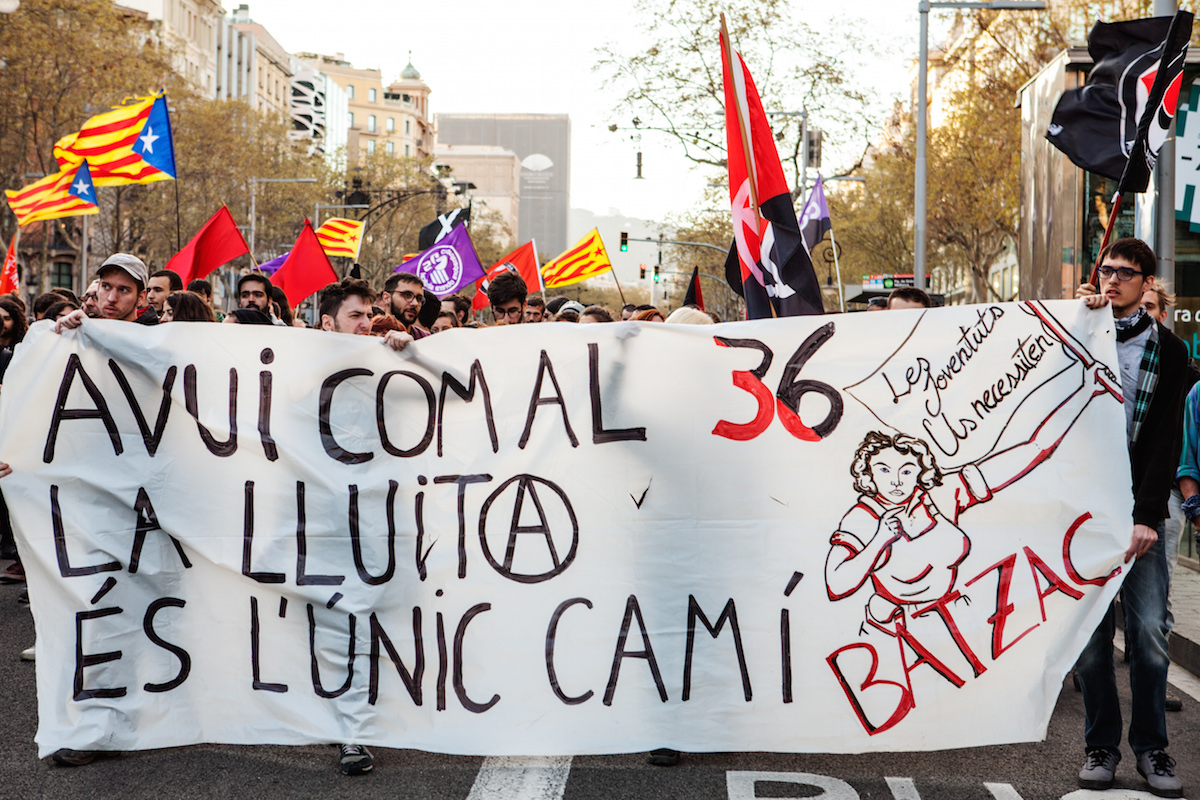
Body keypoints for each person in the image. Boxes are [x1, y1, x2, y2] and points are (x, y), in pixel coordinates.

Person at [1074, 237, 1188, 797]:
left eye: (1126, 272)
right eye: (1107, 270)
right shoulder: (1075, 333)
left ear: (1147, 283)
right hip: (1081, 513)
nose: (1114, 279)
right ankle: (1100, 744)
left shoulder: (1171, 353)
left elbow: (1165, 442)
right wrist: (1072, 320)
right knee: (1091, 638)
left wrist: (1147, 516)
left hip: (1139, 511)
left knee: (1146, 632)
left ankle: (1153, 750)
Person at [382, 273, 430, 339]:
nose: (415, 303)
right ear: (386, 298)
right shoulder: (369, 333)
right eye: (407, 295)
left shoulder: (426, 339)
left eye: (419, 299)